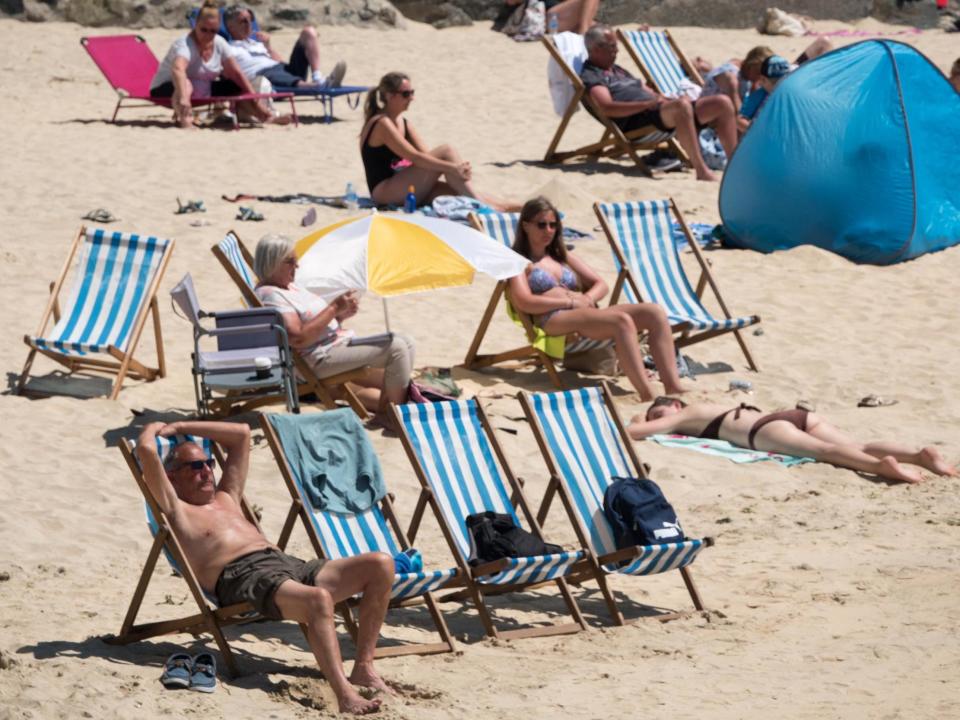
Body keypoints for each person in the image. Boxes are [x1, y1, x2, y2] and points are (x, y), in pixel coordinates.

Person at [136, 420, 394, 714]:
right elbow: (146, 450)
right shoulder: (177, 510)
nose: (207, 470)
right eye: (195, 466)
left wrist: (182, 424)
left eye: (208, 463)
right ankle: (344, 693)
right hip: (242, 577)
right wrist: (154, 429)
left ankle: (363, 666)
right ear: (172, 477)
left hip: (284, 564)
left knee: (380, 565)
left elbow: (242, 434)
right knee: (318, 600)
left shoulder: (227, 496)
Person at [507, 197, 687, 401]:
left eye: (553, 225)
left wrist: (586, 297)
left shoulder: (561, 256)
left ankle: (673, 387)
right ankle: (647, 394)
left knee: (654, 312)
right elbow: (524, 301)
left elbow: (601, 284)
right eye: (542, 225)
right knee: (622, 321)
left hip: (584, 313)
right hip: (552, 319)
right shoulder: (519, 262)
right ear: (525, 226)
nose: (548, 230)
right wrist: (570, 302)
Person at [253, 234, 415, 430]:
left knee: (406, 341)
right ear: (272, 262)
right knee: (396, 348)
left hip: (332, 346)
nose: (297, 266)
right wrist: (333, 309)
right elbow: (297, 338)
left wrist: (340, 316)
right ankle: (388, 415)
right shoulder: (271, 295)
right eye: (290, 261)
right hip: (315, 359)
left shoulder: (289, 287)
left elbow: (312, 325)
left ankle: (388, 411)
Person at [627, 397, 957, 484]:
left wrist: (639, 418)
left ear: (675, 406)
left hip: (764, 431)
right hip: (793, 416)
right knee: (855, 444)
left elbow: (635, 433)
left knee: (828, 453)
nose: (661, 421)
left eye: (661, 413)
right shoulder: (712, 406)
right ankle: (918, 456)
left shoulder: (688, 412)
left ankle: (881, 468)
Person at [579, 24, 737, 182]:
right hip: (639, 121)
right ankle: (701, 170)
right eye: (612, 46)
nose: (617, 50)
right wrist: (647, 105)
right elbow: (607, 108)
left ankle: (734, 166)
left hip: (662, 112)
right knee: (681, 106)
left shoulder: (617, 69)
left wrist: (665, 99)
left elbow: (648, 91)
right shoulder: (592, 75)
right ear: (596, 49)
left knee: (722, 103)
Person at [359, 72, 519, 211]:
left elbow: (427, 157)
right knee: (447, 151)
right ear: (389, 96)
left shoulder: (403, 122)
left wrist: (455, 171)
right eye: (406, 94)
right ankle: (485, 208)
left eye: (412, 92)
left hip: (403, 184)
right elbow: (415, 157)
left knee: (459, 192)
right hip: (384, 192)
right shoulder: (381, 123)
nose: (412, 98)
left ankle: (513, 207)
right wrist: (453, 168)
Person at [149, 0, 286, 129]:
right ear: (196, 24)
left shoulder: (219, 43)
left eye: (213, 31)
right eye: (204, 30)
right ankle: (186, 120)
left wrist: (256, 100)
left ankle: (265, 115)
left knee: (237, 84)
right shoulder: (184, 44)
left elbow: (236, 73)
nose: (208, 35)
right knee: (186, 84)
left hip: (202, 89)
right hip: (168, 88)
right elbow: (178, 69)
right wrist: (184, 98)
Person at [223, 5, 347, 90]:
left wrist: (268, 48)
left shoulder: (257, 43)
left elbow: (280, 62)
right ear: (231, 26)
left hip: (283, 70)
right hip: (262, 76)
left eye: (250, 20)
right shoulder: (228, 49)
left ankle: (317, 77)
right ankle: (320, 86)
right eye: (243, 21)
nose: (249, 24)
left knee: (309, 32)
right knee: (270, 74)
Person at [502, 0, 600, 34]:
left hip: (559, 17)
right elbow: (510, 1)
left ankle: (587, 30)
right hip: (547, 19)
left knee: (594, 26)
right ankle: (583, 33)